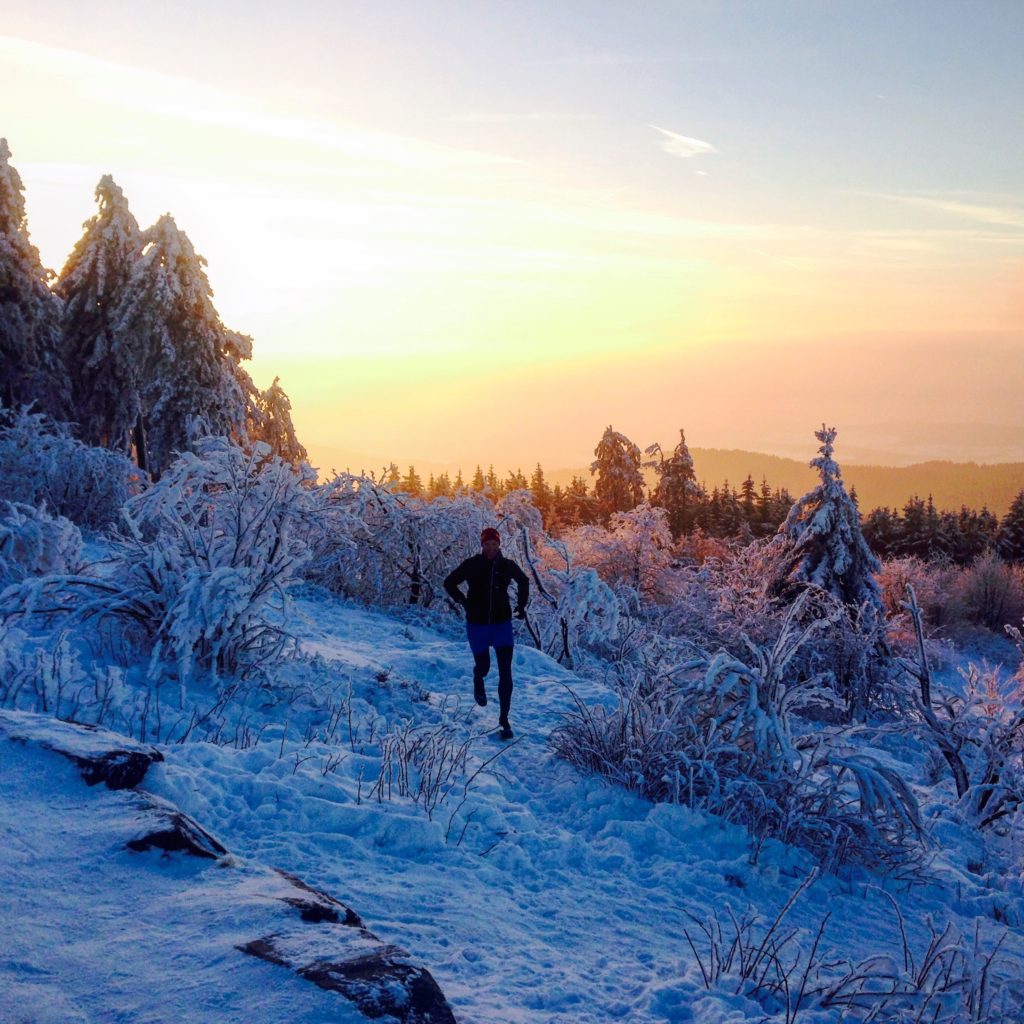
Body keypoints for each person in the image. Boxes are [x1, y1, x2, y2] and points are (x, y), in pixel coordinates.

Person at [444, 527, 529, 739]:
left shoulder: (506, 565)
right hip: (478, 624)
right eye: (487, 545)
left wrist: (521, 606)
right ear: (482, 545)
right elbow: (449, 582)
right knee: (484, 666)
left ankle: (504, 721)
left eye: (494, 545)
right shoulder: (473, 564)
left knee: (505, 673)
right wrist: (463, 602)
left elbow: (524, 581)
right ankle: (477, 678)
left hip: (502, 624)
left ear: (499, 545)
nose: (491, 548)